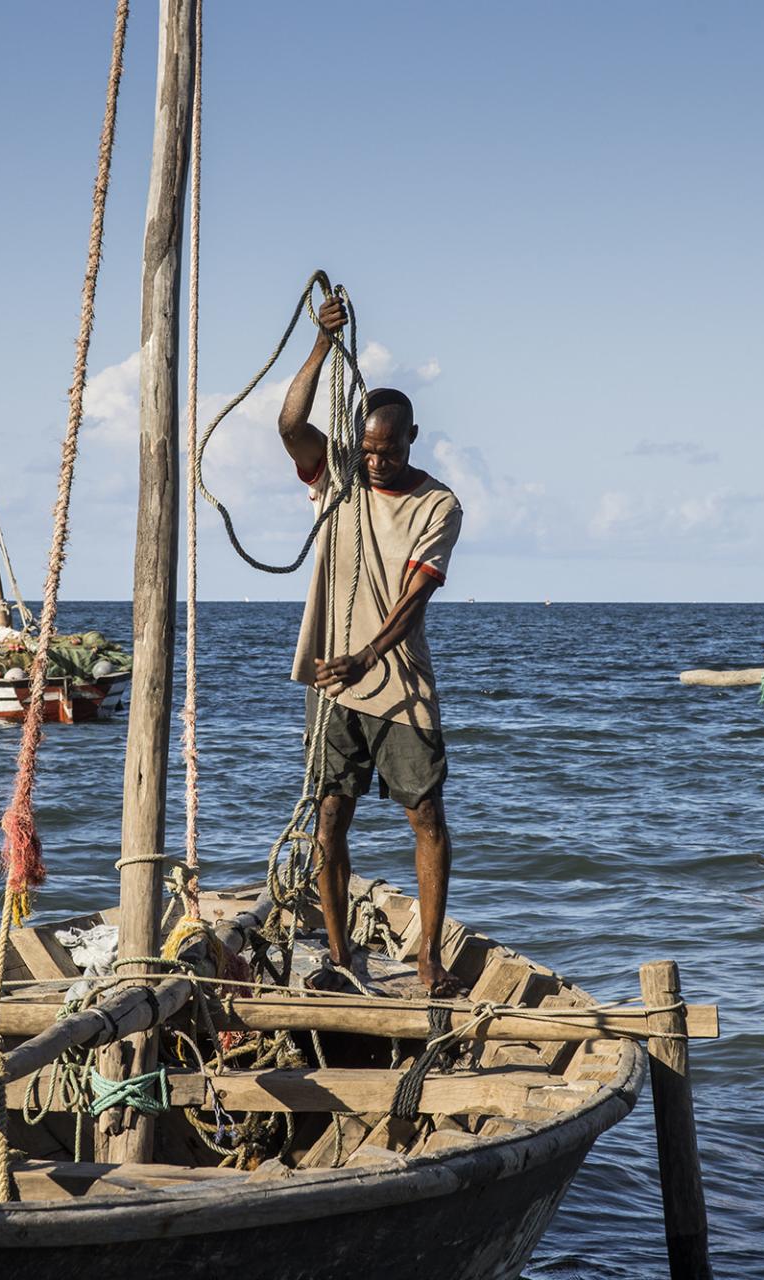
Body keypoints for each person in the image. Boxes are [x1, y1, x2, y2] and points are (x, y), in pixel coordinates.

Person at [277, 291, 465, 996]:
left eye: (389, 450)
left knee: (427, 817)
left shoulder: (438, 504)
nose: (376, 462)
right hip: (333, 682)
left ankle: (428, 961)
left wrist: (367, 656)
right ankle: (340, 955)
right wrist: (323, 344)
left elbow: (416, 597)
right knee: (329, 816)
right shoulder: (338, 477)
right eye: (367, 449)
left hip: (397, 681)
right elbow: (290, 422)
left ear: (411, 439)